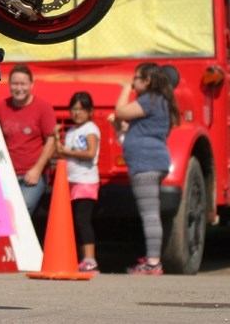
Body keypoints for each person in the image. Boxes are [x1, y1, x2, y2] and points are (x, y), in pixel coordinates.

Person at [114, 62, 179, 275]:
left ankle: (153, 262)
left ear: (147, 81)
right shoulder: (160, 101)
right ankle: (152, 259)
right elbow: (133, 125)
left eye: (136, 78)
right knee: (151, 212)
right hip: (155, 161)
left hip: (146, 163)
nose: (133, 82)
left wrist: (125, 88)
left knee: (150, 214)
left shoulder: (149, 100)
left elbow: (121, 111)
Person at [0, 64, 57, 216]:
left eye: (23, 84)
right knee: (1, 212)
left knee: (22, 210)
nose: (19, 88)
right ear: (9, 85)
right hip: (7, 174)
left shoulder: (43, 108)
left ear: (31, 85)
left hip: (33, 175)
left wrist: (37, 169)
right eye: (15, 83)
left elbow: (52, 140)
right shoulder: (1, 108)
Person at [56, 91, 101, 273]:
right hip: (71, 181)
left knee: (83, 220)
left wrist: (66, 152)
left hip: (86, 181)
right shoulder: (72, 131)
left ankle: (90, 259)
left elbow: (90, 153)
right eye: (74, 109)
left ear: (90, 111)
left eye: (81, 109)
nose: (77, 113)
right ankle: (81, 258)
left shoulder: (91, 129)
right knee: (75, 221)